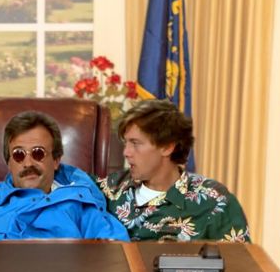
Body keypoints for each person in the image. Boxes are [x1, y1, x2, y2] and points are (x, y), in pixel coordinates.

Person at [0, 111, 128, 241]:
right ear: (9, 163)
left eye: (38, 153)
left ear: (56, 160)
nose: (28, 163)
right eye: (18, 154)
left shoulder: (81, 202)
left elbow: (114, 255)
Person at [98, 99, 250, 242]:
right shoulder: (108, 189)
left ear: (167, 147)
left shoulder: (215, 201)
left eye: (135, 143)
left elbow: (237, 260)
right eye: (126, 143)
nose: (126, 152)